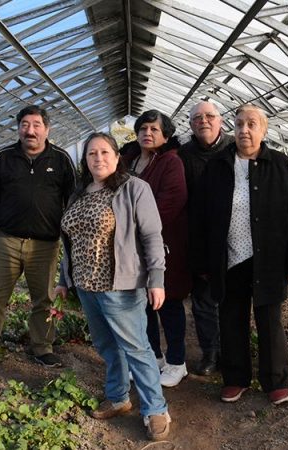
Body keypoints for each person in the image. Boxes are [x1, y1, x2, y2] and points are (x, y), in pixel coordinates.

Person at [54, 132, 171, 441]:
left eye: (105, 152)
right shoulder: (79, 193)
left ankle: (156, 409)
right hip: (86, 286)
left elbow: (152, 236)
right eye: (92, 153)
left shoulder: (133, 188)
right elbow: (69, 241)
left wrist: (157, 280)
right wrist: (64, 279)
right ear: (85, 160)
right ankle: (118, 397)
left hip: (121, 285)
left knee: (136, 347)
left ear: (118, 157)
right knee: (107, 346)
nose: (99, 158)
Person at [198, 103, 288, 405]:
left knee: (270, 320)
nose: (244, 130)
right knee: (231, 318)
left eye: (251, 124)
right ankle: (236, 378)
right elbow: (202, 216)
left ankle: (275, 381)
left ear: (264, 130)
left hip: (269, 259)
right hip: (229, 258)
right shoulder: (218, 166)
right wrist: (206, 260)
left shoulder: (281, 165)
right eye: (239, 124)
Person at [0, 105, 76, 378]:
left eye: (36, 124)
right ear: (18, 128)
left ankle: (42, 347)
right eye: (25, 124)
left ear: (47, 129)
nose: (30, 130)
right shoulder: (4, 157)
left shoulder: (60, 160)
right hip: (6, 242)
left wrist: (72, 240)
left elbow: (73, 201)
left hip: (45, 245)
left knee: (44, 300)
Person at [121, 110, 191, 387]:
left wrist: (136, 227)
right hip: (133, 245)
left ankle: (177, 362)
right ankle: (154, 355)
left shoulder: (171, 163)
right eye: (143, 128)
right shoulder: (130, 161)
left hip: (165, 244)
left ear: (166, 135)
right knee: (144, 304)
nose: (147, 133)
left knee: (169, 301)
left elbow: (171, 202)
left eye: (154, 129)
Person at [178, 100, 235, 376]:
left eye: (210, 116)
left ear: (221, 121)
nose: (204, 121)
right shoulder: (184, 155)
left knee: (232, 296)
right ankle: (210, 352)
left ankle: (233, 351)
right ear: (190, 124)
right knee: (203, 298)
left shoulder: (236, 148)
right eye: (198, 118)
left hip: (234, 236)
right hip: (198, 235)